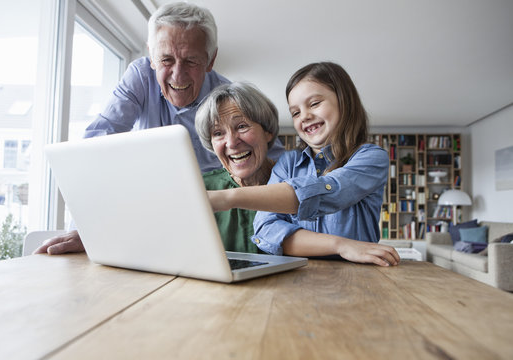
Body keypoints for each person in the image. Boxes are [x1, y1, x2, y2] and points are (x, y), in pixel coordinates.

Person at [34, 2, 283, 255]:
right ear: (151, 56)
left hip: (211, 217)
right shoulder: (141, 75)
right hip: (149, 212)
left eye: (190, 61)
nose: (177, 75)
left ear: (210, 60)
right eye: (165, 59)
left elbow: (278, 160)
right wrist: (92, 230)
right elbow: (94, 148)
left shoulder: (227, 98)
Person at [207, 62, 400, 267]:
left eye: (314, 103)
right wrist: (340, 245)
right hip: (297, 282)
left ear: (345, 102)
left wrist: (228, 198)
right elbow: (266, 229)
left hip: (356, 279)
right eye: (295, 112)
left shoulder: (370, 157)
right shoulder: (288, 163)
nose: (305, 116)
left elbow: (329, 192)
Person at [195, 82, 278, 253]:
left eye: (241, 126)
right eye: (218, 133)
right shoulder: (199, 189)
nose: (231, 143)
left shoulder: (293, 181)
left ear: (267, 131)